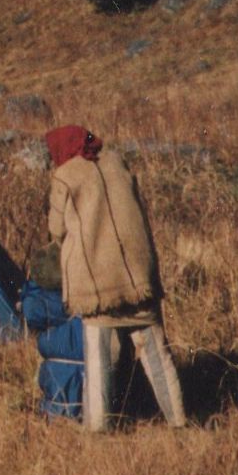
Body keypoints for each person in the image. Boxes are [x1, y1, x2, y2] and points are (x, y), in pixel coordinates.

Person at [46, 124, 187, 431]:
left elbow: (55, 229)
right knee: (157, 356)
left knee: (99, 359)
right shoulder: (117, 161)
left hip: (98, 286)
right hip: (139, 279)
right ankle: (179, 423)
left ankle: (98, 430)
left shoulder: (65, 177)